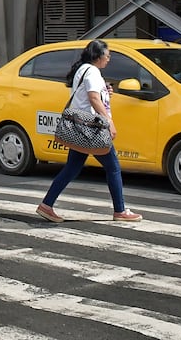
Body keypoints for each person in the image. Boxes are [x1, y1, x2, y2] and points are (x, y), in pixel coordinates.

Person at [35, 40, 142, 224]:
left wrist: (106, 92)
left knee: (72, 168)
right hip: (91, 129)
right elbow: (93, 98)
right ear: (97, 56)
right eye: (107, 56)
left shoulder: (84, 69)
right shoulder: (92, 71)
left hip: (81, 127)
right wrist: (109, 122)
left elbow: (92, 95)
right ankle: (120, 210)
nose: (109, 59)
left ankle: (46, 205)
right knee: (113, 167)